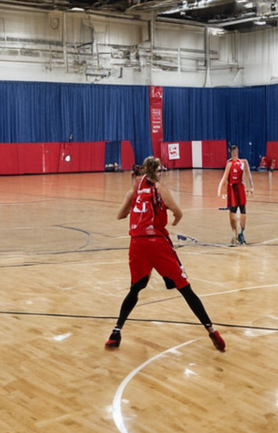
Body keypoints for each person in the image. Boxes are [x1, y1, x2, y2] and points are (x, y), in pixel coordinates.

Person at [107, 156, 224, 351]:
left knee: (136, 288)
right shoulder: (160, 189)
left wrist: (133, 209)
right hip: (157, 243)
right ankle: (212, 331)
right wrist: (175, 222)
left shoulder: (134, 189)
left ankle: (115, 332)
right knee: (185, 288)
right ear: (157, 172)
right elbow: (178, 212)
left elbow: (119, 215)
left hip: (137, 244)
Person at [217, 144, 254, 245]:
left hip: (240, 187)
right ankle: (234, 232)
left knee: (243, 210)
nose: (234, 154)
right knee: (232, 211)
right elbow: (225, 177)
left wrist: (251, 187)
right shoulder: (229, 163)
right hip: (232, 189)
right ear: (231, 153)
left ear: (237, 152)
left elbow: (248, 175)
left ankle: (242, 232)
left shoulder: (243, 162)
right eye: (233, 152)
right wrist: (221, 189)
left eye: (236, 152)